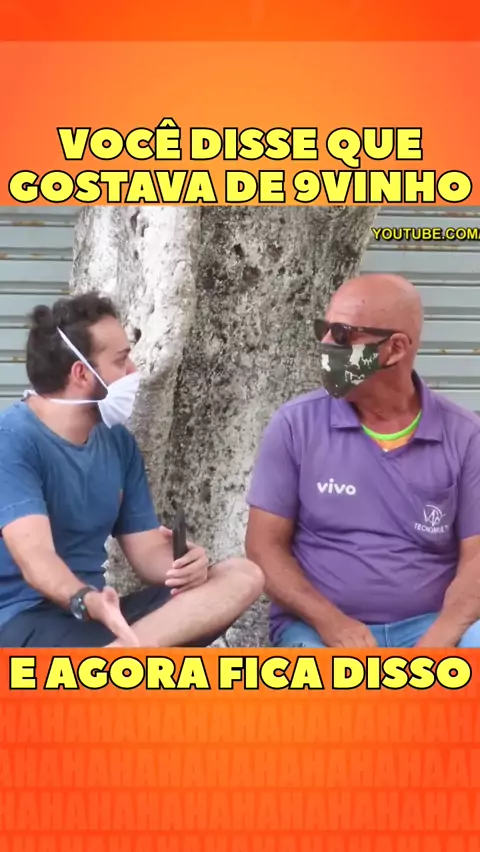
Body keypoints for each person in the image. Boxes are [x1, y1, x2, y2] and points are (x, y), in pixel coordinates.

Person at [0, 292, 264, 648]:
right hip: (25, 622)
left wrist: (185, 566)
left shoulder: (118, 442)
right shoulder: (13, 439)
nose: (133, 371)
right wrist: (89, 602)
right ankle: (119, 663)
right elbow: (37, 560)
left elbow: (147, 552)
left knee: (241, 575)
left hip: (101, 621)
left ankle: (113, 662)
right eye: (121, 359)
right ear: (81, 372)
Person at [245, 273, 480, 649]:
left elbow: (476, 560)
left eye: (342, 335)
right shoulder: (295, 425)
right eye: (324, 329)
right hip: (320, 630)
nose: (325, 344)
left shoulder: (466, 435)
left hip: (431, 627)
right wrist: (331, 622)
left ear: (395, 348)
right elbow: (263, 548)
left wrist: (438, 640)